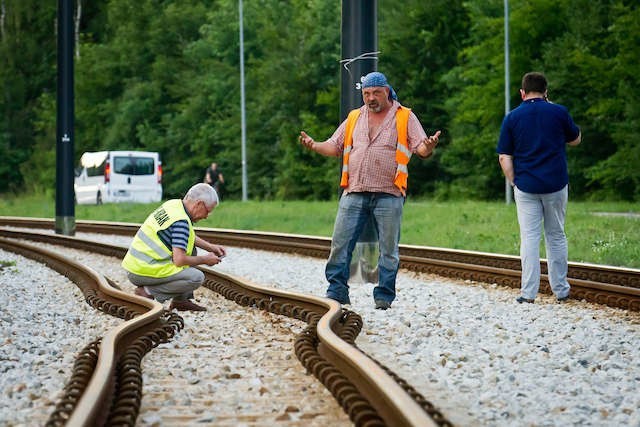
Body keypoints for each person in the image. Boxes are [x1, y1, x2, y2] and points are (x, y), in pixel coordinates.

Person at [299, 71, 441, 310]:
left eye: (375, 92)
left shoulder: (405, 116)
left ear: (387, 91)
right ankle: (337, 290)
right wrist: (314, 145)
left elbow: (420, 148)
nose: (371, 98)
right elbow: (335, 146)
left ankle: (384, 296)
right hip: (354, 189)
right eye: (366, 93)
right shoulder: (355, 116)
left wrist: (428, 146)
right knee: (340, 243)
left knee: (388, 249)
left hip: (389, 192)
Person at [496, 71, 581, 304]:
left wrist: (515, 181)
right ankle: (561, 290)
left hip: (526, 186)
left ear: (522, 92)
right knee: (556, 235)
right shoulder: (559, 112)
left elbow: (504, 157)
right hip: (556, 184)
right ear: (546, 91)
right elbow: (575, 139)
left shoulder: (512, 117)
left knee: (530, 238)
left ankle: (528, 293)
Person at [121, 183, 227, 311]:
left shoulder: (173, 205)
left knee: (190, 249)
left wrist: (210, 247)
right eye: (208, 211)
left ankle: (181, 301)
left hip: (137, 266)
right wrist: (205, 259)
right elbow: (180, 260)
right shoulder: (181, 221)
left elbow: (187, 236)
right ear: (199, 204)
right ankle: (148, 292)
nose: (206, 216)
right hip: (144, 271)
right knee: (196, 278)